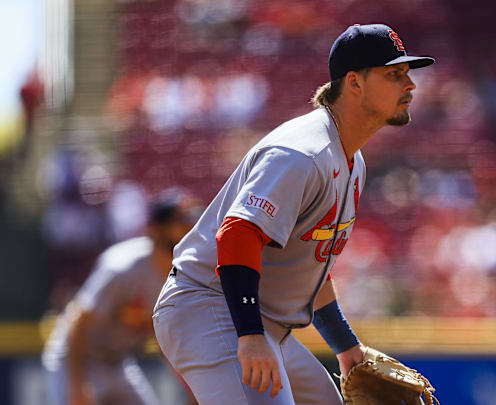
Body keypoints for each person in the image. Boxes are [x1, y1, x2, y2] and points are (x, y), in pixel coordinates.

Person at [152, 23, 434, 404]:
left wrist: (347, 348)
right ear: (354, 83)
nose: (410, 84)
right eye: (394, 74)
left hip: (258, 319)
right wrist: (250, 336)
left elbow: (309, 266)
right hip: (211, 304)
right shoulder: (303, 153)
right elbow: (237, 234)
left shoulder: (352, 161)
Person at [42, 190, 199, 405]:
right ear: (156, 229)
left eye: (192, 220)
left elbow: (166, 342)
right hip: (76, 360)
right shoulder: (123, 267)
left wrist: (192, 390)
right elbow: (78, 322)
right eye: (181, 221)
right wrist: (77, 386)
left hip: (118, 363)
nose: (190, 227)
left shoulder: (184, 274)